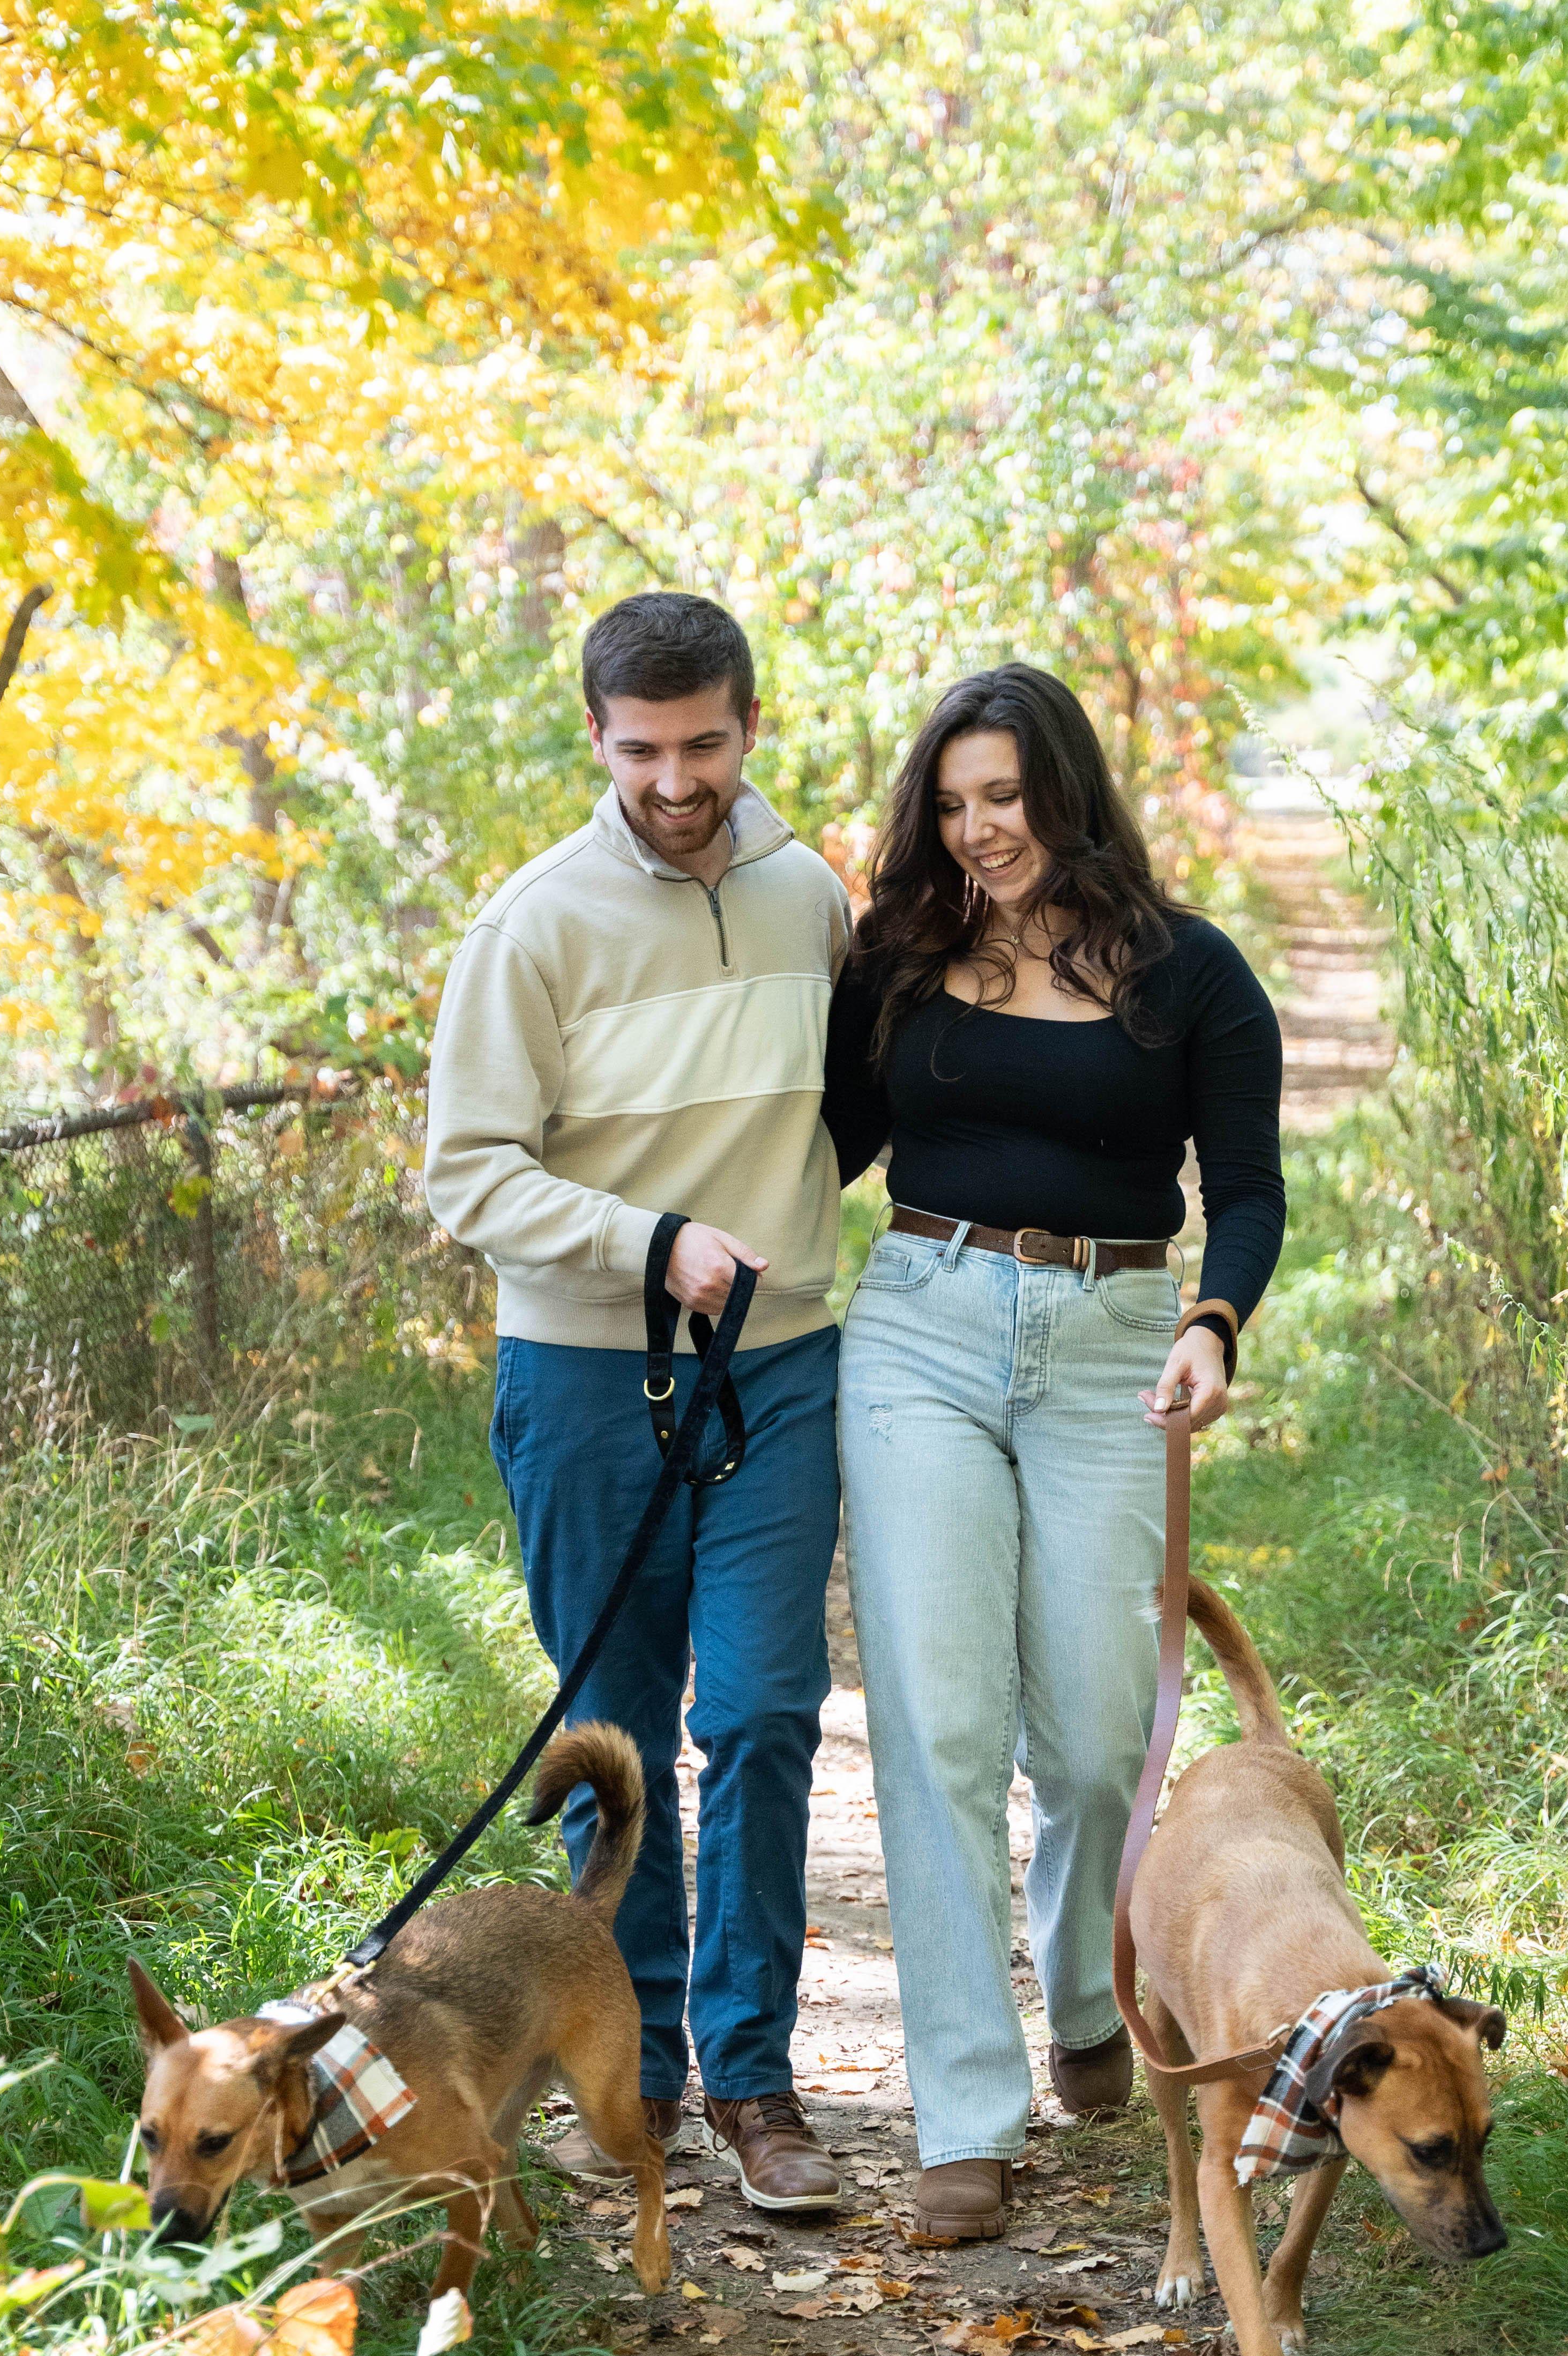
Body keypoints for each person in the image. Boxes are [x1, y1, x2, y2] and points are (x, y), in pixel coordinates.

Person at [823, 663, 1286, 2245]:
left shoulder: (1195, 976)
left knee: (1098, 1740)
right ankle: (966, 2111)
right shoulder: (898, 958)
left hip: (1111, 1341)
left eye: (1004, 800)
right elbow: (811, 1140)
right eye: (950, 808)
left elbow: (1251, 1185)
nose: (977, 835)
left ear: (1067, 793)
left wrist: (1213, 1323)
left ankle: (1090, 1993)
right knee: (940, 1724)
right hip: (920, 1329)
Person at [419, 592, 848, 2213]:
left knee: (758, 1716)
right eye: (645, 750)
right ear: (597, 738)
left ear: (750, 726)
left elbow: (841, 1105)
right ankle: (639, 2063)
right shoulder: (531, 926)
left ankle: (753, 2078)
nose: (679, 780)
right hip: (587, 1378)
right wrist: (647, 1242)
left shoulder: (811, 896)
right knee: (618, 1737)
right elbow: (468, 1175)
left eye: (707, 744)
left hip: (781, 1366)